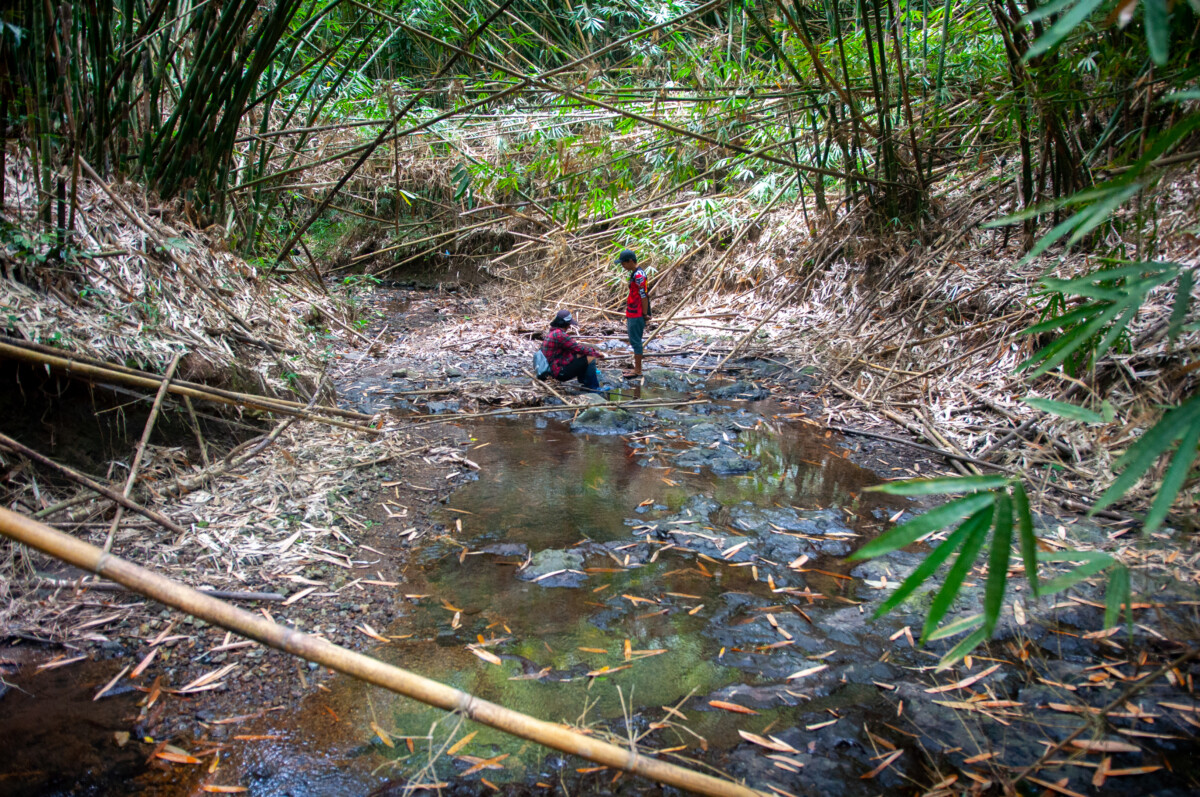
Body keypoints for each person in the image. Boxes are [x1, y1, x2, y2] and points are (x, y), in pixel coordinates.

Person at [541, 309, 605, 390]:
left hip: (552, 368)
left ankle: (584, 382)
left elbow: (575, 349)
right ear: (566, 324)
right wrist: (598, 353)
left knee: (581, 354)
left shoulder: (553, 331)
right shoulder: (559, 335)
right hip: (558, 372)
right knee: (591, 357)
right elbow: (578, 348)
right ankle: (593, 387)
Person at [618, 249, 650, 378]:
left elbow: (644, 296)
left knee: (636, 341)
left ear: (631, 261)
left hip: (636, 312)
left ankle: (638, 370)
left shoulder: (639, 276)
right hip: (633, 311)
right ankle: (637, 368)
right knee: (634, 340)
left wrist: (645, 313)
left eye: (624, 263)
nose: (623, 266)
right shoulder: (635, 274)